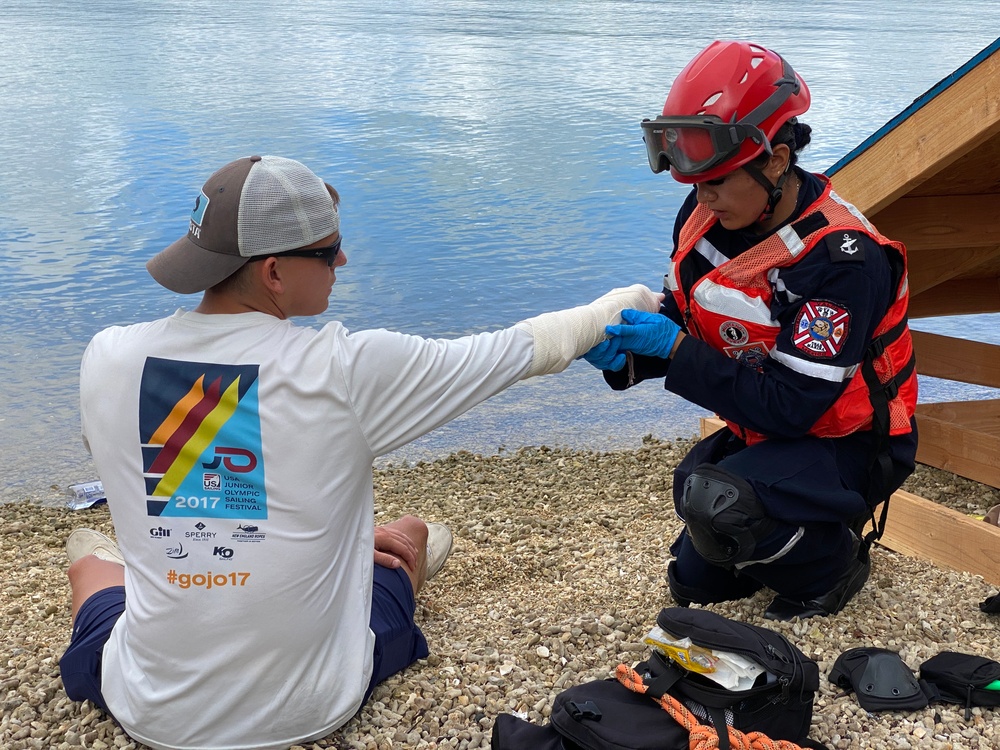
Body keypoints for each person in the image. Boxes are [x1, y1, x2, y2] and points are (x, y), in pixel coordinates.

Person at [60, 154, 661, 750]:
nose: (342, 260)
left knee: (93, 567)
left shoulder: (108, 357)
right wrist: (638, 300)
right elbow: (527, 348)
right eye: (328, 251)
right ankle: (361, 546)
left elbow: (149, 474)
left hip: (145, 705)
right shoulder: (345, 371)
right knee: (412, 533)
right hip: (312, 706)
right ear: (273, 272)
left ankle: (131, 561)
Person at [583, 40, 918, 621]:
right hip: (770, 430)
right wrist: (630, 358)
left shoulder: (841, 262)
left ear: (777, 159)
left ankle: (834, 561)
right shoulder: (705, 215)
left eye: (716, 181)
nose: (702, 197)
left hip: (848, 444)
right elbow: (696, 321)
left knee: (719, 504)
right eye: (694, 182)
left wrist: (676, 351)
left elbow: (795, 407)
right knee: (694, 577)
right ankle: (779, 535)